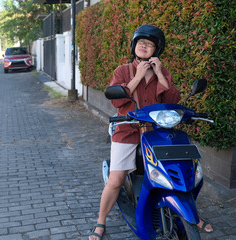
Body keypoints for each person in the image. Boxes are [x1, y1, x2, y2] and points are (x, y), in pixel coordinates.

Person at [89, 24, 213, 240]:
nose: (144, 46)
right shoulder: (122, 71)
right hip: (127, 131)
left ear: (156, 49)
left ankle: (191, 214)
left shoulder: (162, 71)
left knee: (182, 173)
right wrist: (138, 76)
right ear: (134, 46)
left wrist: (160, 75)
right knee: (116, 179)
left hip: (157, 133)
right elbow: (117, 101)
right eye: (141, 42)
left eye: (149, 44)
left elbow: (173, 102)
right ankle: (101, 221)